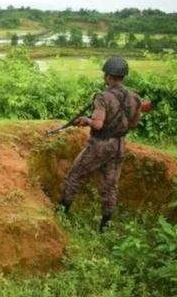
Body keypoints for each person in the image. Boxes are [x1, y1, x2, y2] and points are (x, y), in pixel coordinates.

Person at [59, 56, 141, 232]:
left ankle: (61, 212)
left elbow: (98, 124)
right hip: (119, 145)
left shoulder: (103, 97)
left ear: (108, 77)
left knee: (74, 175)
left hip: (100, 144)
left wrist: (86, 120)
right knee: (110, 186)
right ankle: (105, 225)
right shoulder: (134, 97)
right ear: (123, 77)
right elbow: (133, 123)